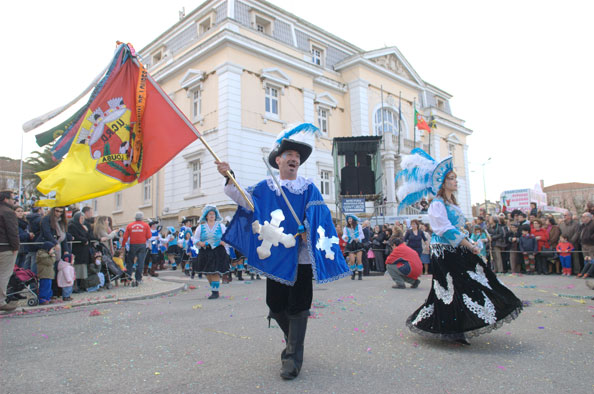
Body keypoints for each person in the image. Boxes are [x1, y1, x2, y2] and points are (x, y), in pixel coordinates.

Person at [217, 124, 349, 380]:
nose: (294, 159)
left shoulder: (308, 187)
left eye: (298, 158)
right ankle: (294, 341)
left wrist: (307, 229)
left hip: (300, 257)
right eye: (289, 155)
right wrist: (228, 174)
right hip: (277, 257)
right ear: (278, 160)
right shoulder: (266, 187)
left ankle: (291, 359)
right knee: (275, 305)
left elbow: (321, 216)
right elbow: (245, 200)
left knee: (299, 305)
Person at [396, 149, 522, 345]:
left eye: (455, 178)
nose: (456, 181)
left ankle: (460, 325)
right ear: (443, 183)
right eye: (452, 178)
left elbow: (456, 228)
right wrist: (468, 244)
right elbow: (444, 229)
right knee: (450, 288)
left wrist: (469, 242)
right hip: (445, 251)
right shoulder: (437, 204)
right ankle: (452, 328)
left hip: (455, 248)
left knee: (474, 280)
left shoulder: (451, 204)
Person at [192, 205, 230, 299]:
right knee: (208, 272)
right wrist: (200, 243)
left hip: (218, 251)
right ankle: (214, 289)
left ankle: (215, 292)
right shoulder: (201, 227)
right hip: (206, 251)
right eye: (210, 214)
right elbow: (195, 239)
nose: (212, 215)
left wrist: (223, 241)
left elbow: (227, 237)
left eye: (213, 214)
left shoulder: (221, 226)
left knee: (215, 272)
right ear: (206, 216)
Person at [0, 190, 20, 312]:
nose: (14, 201)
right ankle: (1, 301)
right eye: (13, 198)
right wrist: (15, 247)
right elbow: (12, 232)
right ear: (6, 199)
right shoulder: (8, 212)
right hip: (5, 248)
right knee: (3, 275)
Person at [122, 212, 152, 286]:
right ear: (142, 218)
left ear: (135, 218)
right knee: (141, 262)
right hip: (142, 245)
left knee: (130, 262)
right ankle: (138, 278)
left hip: (132, 245)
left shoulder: (130, 225)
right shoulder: (146, 225)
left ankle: (128, 277)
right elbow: (149, 236)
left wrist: (123, 246)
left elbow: (125, 237)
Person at [68, 211, 91, 293]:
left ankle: (82, 285)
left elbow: (88, 236)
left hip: (84, 251)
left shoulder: (83, 226)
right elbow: (76, 236)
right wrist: (84, 240)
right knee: (77, 269)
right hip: (77, 250)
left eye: (83, 218)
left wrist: (86, 231)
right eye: (81, 218)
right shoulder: (72, 226)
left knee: (82, 269)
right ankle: (75, 286)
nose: (82, 220)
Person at [342, 214, 365, 280]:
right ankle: (353, 273)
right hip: (350, 244)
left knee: (359, 260)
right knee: (352, 260)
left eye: (350, 219)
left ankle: (360, 274)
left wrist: (358, 238)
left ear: (353, 220)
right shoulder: (345, 228)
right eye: (348, 219)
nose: (349, 220)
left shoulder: (359, 226)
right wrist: (345, 237)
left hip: (358, 244)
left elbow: (362, 235)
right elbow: (344, 235)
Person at [578, 212, 594, 278]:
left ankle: (589, 273)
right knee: (586, 259)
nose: (582, 218)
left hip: (591, 244)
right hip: (583, 243)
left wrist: (590, 238)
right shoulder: (583, 225)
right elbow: (580, 232)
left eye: (584, 217)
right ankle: (584, 272)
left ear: (588, 217)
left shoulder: (593, 224)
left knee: (592, 259)